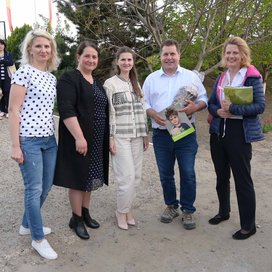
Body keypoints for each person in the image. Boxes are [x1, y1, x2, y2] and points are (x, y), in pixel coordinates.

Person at [143, 39, 207, 230]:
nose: (169, 57)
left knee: (187, 172)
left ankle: (188, 210)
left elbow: (204, 98)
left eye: (172, 53)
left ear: (178, 55)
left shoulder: (191, 77)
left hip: (185, 132)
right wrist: (151, 112)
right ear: (160, 57)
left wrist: (195, 107)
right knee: (165, 174)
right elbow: (142, 101)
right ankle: (171, 206)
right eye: (165, 54)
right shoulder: (151, 79)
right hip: (162, 134)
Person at [8, 30, 60, 260]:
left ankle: (26, 225)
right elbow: (13, 110)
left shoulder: (51, 77)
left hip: (49, 139)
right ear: (30, 49)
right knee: (34, 189)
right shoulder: (23, 73)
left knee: (46, 186)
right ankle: (38, 238)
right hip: (28, 140)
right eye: (38, 46)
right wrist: (15, 146)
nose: (43, 50)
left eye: (47, 47)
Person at [208, 36, 265, 239]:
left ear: (243, 54)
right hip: (218, 133)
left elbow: (260, 106)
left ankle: (248, 226)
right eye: (228, 53)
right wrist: (217, 112)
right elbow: (211, 103)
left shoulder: (252, 76)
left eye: (235, 52)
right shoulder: (222, 76)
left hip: (239, 134)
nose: (231, 56)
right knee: (221, 177)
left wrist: (233, 108)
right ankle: (224, 212)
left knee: (243, 180)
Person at [53, 41, 109, 240]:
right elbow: (66, 109)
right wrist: (79, 137)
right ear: (78, 56)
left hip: (97, 140)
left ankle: (85, 213)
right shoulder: (69, 78)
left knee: (90, 177)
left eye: (94, 57)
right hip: (80, 139)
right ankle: (76, 219)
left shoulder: (97, 81)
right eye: (87, 56)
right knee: (78, 179)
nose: (91, 60)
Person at [103, 46, 149, 230]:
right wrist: (110, 138)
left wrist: (145, 134)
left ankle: (127, 209)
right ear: (117, 62)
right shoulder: (110, 84)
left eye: (129, 60)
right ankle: (121, 212)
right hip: (120, 137)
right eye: (123, 59)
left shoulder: (136, 84)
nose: (126, 63)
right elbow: (110, 113)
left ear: (133, 62)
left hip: (137, 136)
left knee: (136, 177)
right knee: (126, 177)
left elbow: (142, 111)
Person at [0, 39, 14, 119]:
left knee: (7, 94)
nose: (0, 46)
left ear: (4, 46)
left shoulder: (8, 54)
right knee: (0, 94)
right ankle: (2, 110)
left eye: (2, 44)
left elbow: (11, 62)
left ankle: (7, 111)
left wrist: (2, 62)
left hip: (7, 78)